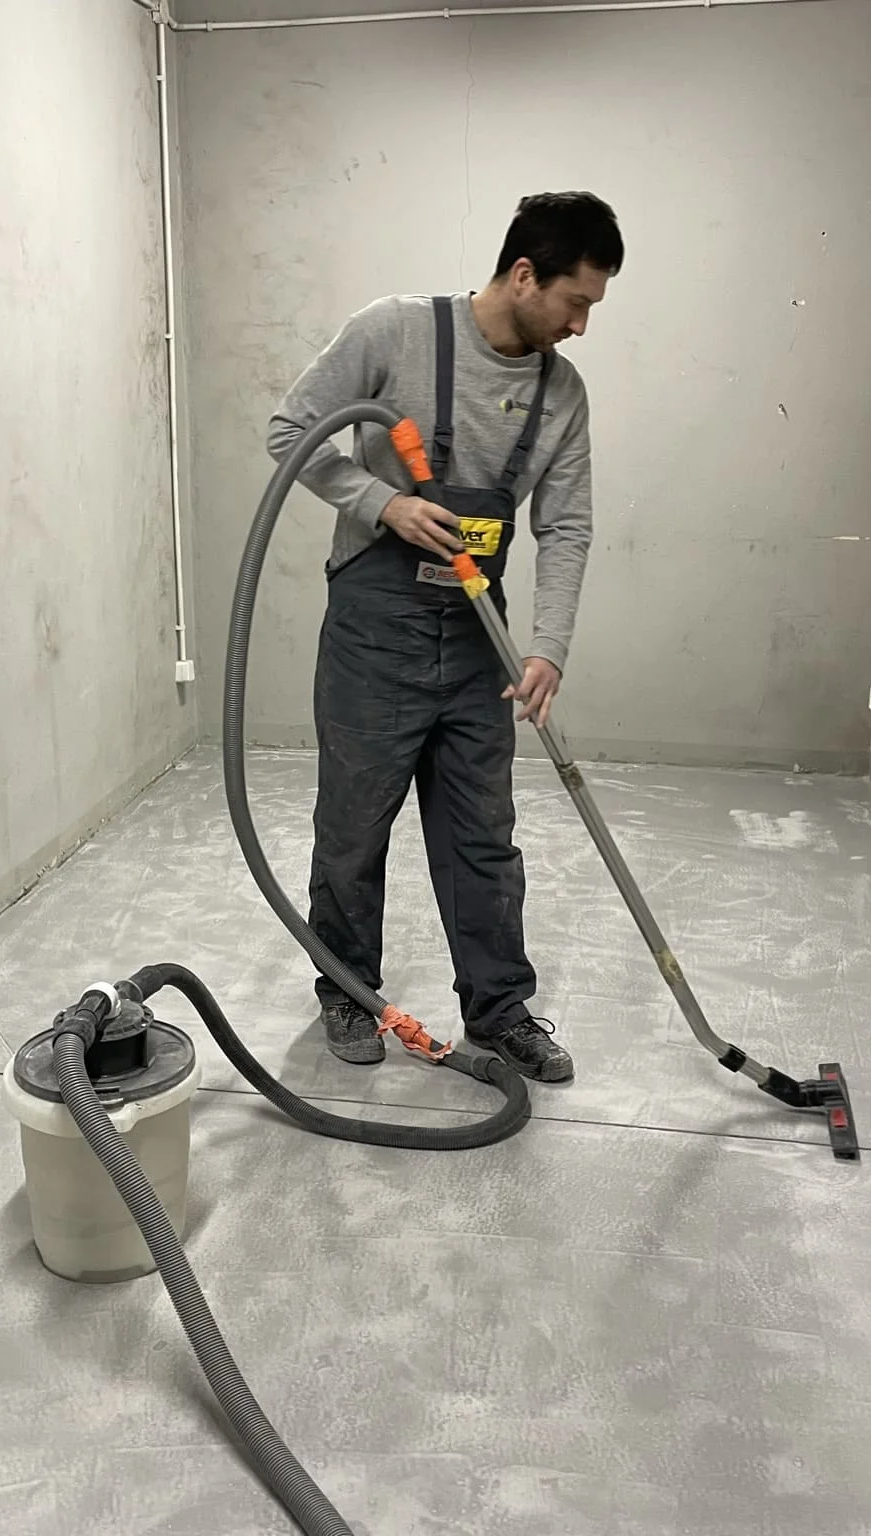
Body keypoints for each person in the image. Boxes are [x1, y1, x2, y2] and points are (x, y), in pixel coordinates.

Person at [266, 191, 622, 1084]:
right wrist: (382, 503)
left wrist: (546, 648)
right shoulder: (394, 332)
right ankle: (349, 989)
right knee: (354, 827)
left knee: (482, 835)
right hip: (374, 631)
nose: (581, 326)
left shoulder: (561, 395)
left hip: (475, 642)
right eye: (575, 302)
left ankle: (500, 1012)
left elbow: (566, 525)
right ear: (524, 274)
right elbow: (290, 432)